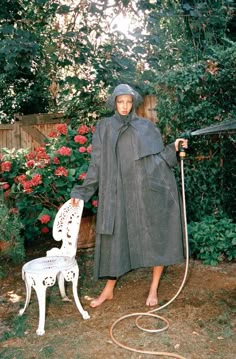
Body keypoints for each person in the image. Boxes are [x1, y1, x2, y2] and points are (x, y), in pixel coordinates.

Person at [71, 84, 188, 308]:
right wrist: (82, 192)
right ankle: (108, 290)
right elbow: (96, 164)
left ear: (134, 103)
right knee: (114, 239)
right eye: (120, 102)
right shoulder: (104, 127)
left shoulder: (147, 127)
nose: (124, 106)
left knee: (156, 235)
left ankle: (153, 288)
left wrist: (173, 148)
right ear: (114, 102)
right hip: (117, 194)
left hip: (146, 192)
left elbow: (158, 159)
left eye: (128, 102)